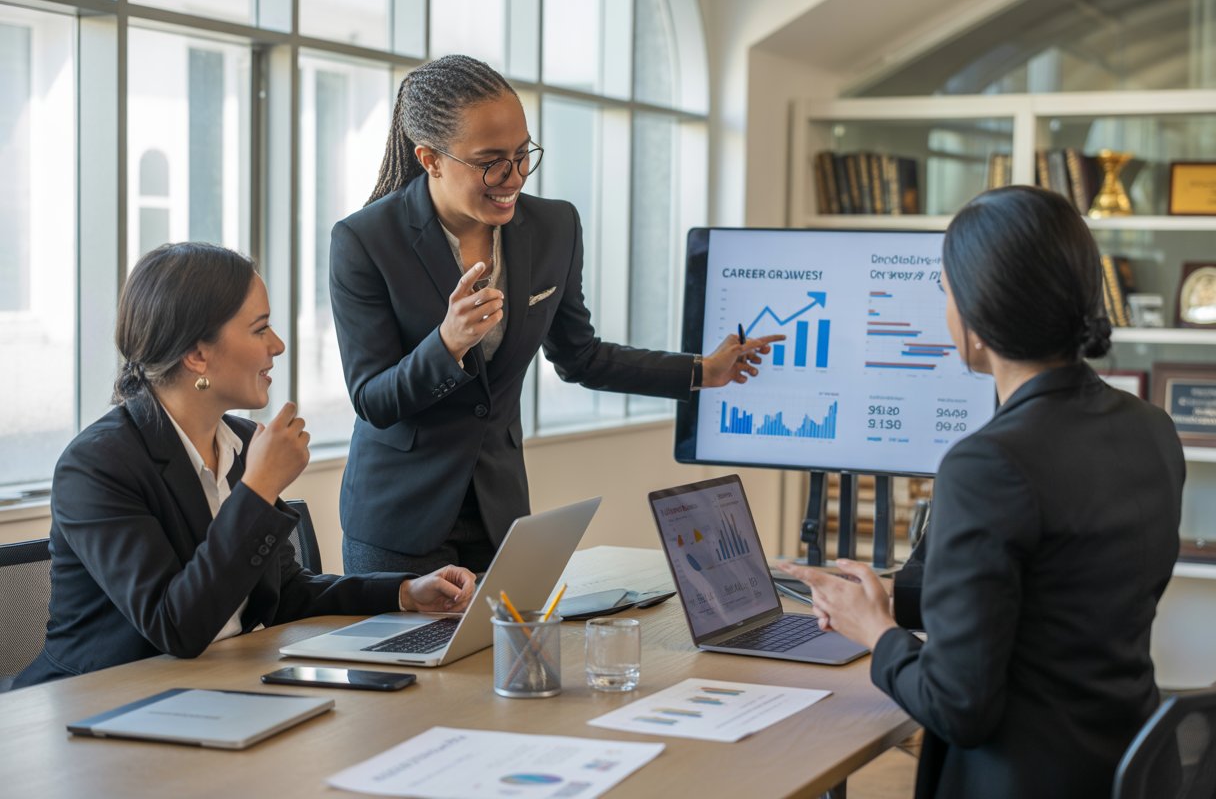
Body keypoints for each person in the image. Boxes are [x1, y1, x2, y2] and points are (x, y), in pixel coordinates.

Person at [780, 185, 1185, 799]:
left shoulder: (988, 462)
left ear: (977, 316)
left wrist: (875, 633)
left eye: (946, 292)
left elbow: (956, 706)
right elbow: (1060, 595)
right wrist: (896, 596)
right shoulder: (1149, 427)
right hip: (1125, 765)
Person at [330, 54, 781, 575]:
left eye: (524, 153)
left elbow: (580, 357)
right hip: (398, 523)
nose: (514, 176)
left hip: (499, 515)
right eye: (491, 161)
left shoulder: (553, 227)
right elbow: (373, 400)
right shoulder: (365, 241)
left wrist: (703, 371)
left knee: (502, 658)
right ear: (430, 158)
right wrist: (447, 343)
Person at [14, 243, 476, 689]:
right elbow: (176, 627)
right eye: (260, 329)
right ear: (197, 354)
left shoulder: (241, 442)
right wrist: (258, 488)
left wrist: (404, 594)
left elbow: (286, 592)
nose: (277, 345)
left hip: (213, 686)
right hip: (97, 705)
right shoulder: (96, 466)